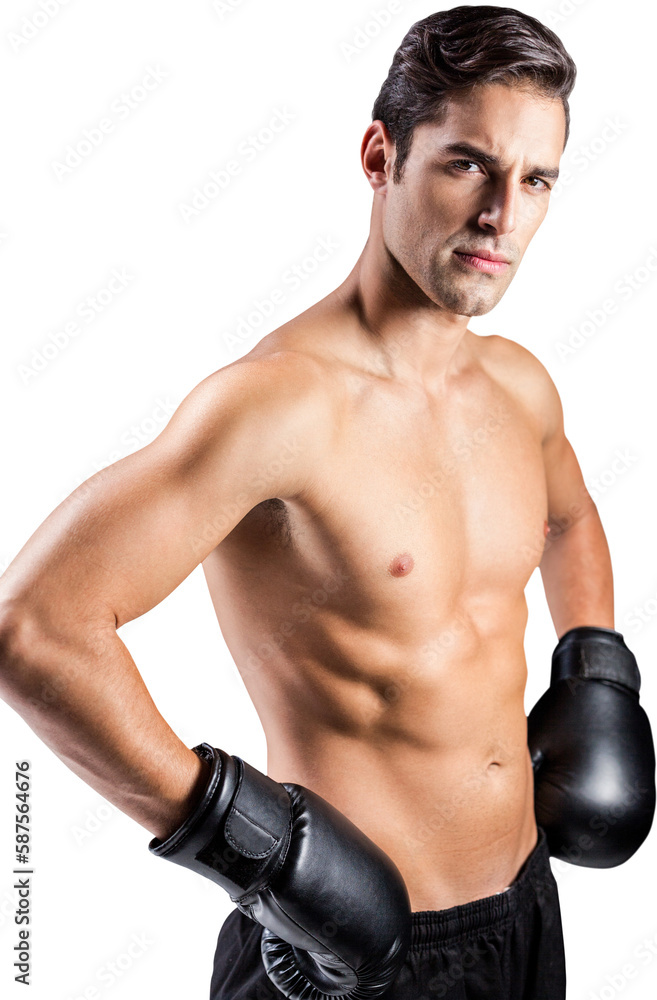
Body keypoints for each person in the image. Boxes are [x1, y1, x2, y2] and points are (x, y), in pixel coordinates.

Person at [0, 7, 654, 1000]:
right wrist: (257, 852)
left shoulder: (520, 389)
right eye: (468, 165)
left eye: (536, 181)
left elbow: (569, 520)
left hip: (523, 920)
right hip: (344, 958)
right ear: (380, 156)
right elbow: (36, 627)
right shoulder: (277, 407)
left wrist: (596, 667)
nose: (502, 216)